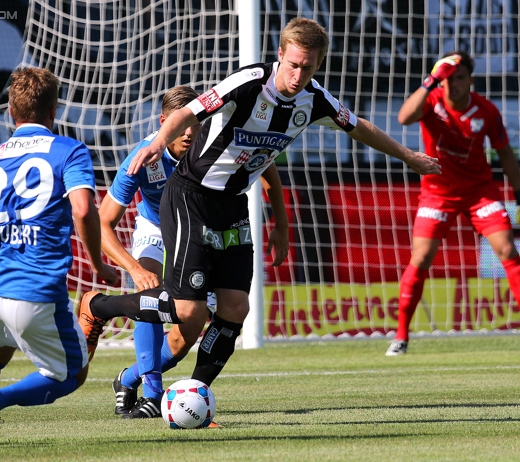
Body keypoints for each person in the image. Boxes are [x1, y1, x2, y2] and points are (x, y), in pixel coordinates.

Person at [77, 17, 440, 389]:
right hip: (191, 195)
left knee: (236, 308)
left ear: (318, 65)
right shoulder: (249, 81)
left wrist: (408, 156)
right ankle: (98, 307)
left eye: (308, 67)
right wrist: (156, 144)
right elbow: (190, 111)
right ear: (280, 54)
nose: (298, 75)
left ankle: (195, 394)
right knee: (187, 309)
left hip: (233, 205)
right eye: (294, 64)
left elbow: (360, 127)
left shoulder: (315, 100)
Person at [0, 67, 117, 448]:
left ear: (11, 110)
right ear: (53, 111)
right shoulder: (69, 150)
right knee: (71, 376)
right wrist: (97, 264)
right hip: (36, 290)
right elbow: (82, 209)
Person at [386, 51, 520, 356]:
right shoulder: (431, 101)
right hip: (438, 191)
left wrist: (518, 190)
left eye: (459, 77)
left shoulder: (486, 111)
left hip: (479, 191)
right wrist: (431, 80)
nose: (453, 84)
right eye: (448, 78)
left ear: (470, 80)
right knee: (420, 259)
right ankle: (402, 336)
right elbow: (404, 117)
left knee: (508, 250)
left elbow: (506, 153)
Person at [93, 86, 216, 419]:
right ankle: (153, 395)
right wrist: (135, 269)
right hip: (156, 230)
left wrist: (273, 205)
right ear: (165, 122)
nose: (190, 133)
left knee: (184, 336)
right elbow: (103, 223)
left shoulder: (214, 148)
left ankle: (128, 377)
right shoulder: (144, 156)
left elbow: (263, 165)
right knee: (150, 292)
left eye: (196, 123)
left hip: (196, 233)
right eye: (181, 125)